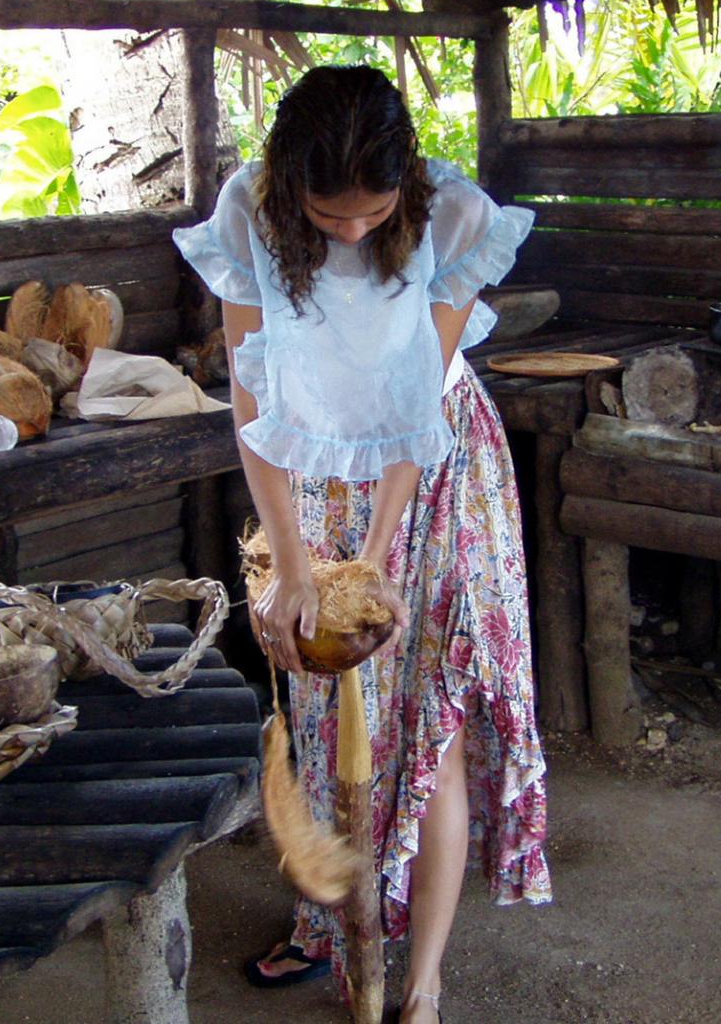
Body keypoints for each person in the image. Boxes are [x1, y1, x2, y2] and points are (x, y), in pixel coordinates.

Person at [173, 64, 550, 1024]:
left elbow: (415, 406)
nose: (350, 234)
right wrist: (295, 563)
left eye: (372, 215)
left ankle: (421, 983)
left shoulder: (451, 217)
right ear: (287, 188)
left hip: (433, 470)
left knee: (431, 716)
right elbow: (254, 407)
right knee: (322, 706)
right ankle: (331, 919)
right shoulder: (249, 216)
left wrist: (374, 561)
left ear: (406, 186)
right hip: (311, 467)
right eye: (327, 216)